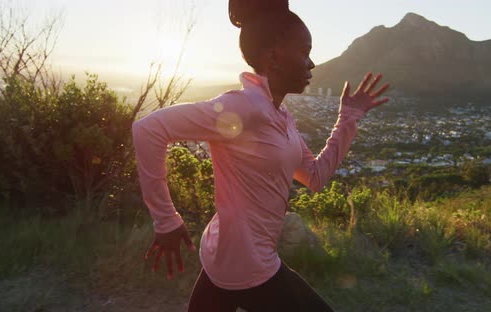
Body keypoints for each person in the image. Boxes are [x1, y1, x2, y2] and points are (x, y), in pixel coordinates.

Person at [132, 0, 389, 311]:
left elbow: (315, 177)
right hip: (250, 269)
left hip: (227, 259)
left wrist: (348, 117)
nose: (311, 64)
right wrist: (166, 220)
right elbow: (148, 129)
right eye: (305, 51)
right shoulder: (243, 108)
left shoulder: (282, 118)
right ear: (274, 56)